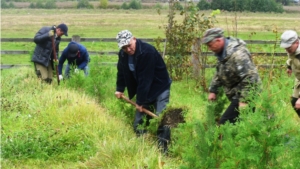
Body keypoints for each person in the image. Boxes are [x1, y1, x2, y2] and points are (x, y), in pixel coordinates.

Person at [114, 30, 172, 153]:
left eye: (129, 46)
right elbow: (122, 71)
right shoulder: (123, 54)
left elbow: (146, 78)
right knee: (138, 124)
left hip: (160, 87)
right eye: (124, 47)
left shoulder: (147, 52)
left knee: (162, 119)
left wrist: (140, 101)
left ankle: (163, 150)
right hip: (145, 88)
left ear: (134, 39)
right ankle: (144, 147)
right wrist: (119, 88)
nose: (128, 49)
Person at [202, 28, 261, 125]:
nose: (209, 48)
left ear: (218, 40)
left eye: (210, 45)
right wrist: (213, 90)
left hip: (248, 94)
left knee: (225, 124)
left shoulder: (238, 54)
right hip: (237, 95)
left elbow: (250, 77)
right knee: (243, 125)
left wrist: (244, 100)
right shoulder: (223, 53)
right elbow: (219, 72)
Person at [280, 30, 300, 117]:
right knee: (295, 102)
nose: (287, 50)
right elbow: (291, 58)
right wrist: (289, 66)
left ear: (297, 42)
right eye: (285, 48)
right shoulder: (292, 50)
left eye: (289, 48)